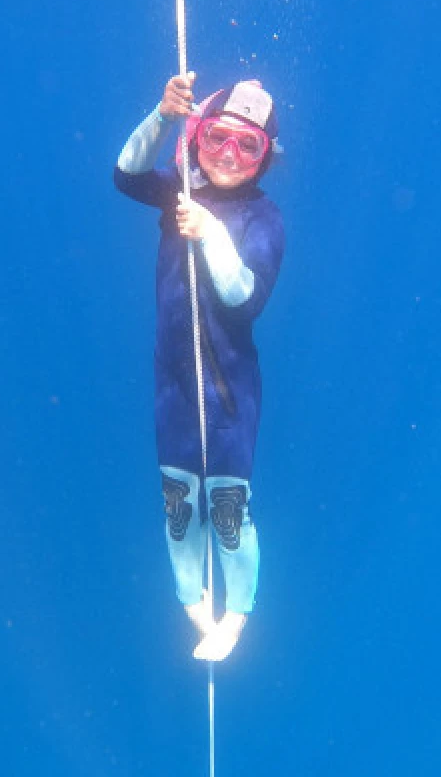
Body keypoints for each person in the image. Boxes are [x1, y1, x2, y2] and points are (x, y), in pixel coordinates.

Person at [113, 73, 285, 662]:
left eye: (247, 146)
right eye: (217, 139)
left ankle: (236, 617)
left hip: (229, 387)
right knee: (179, 500)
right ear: (198, 137)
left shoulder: (264, 219)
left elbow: (243, 296)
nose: (229, 155)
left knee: (227, 506)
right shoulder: (181, 189)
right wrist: (163, 116)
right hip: (174, 381)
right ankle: (192, 600)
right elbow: (127, 173)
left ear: (265, 158)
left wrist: (210, 232)